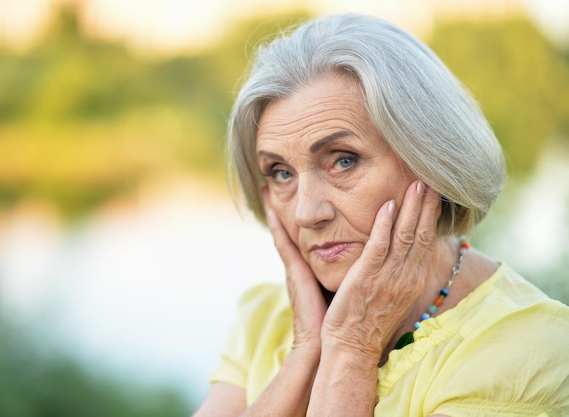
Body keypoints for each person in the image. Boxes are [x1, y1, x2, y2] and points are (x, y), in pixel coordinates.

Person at [192, 13, 569, 416]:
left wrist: (352, 350)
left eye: (343, 161)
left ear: (430, 158)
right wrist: (306, 352)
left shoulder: (526, 348)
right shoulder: (267, 317)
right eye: (281, 172)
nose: (305, 212)